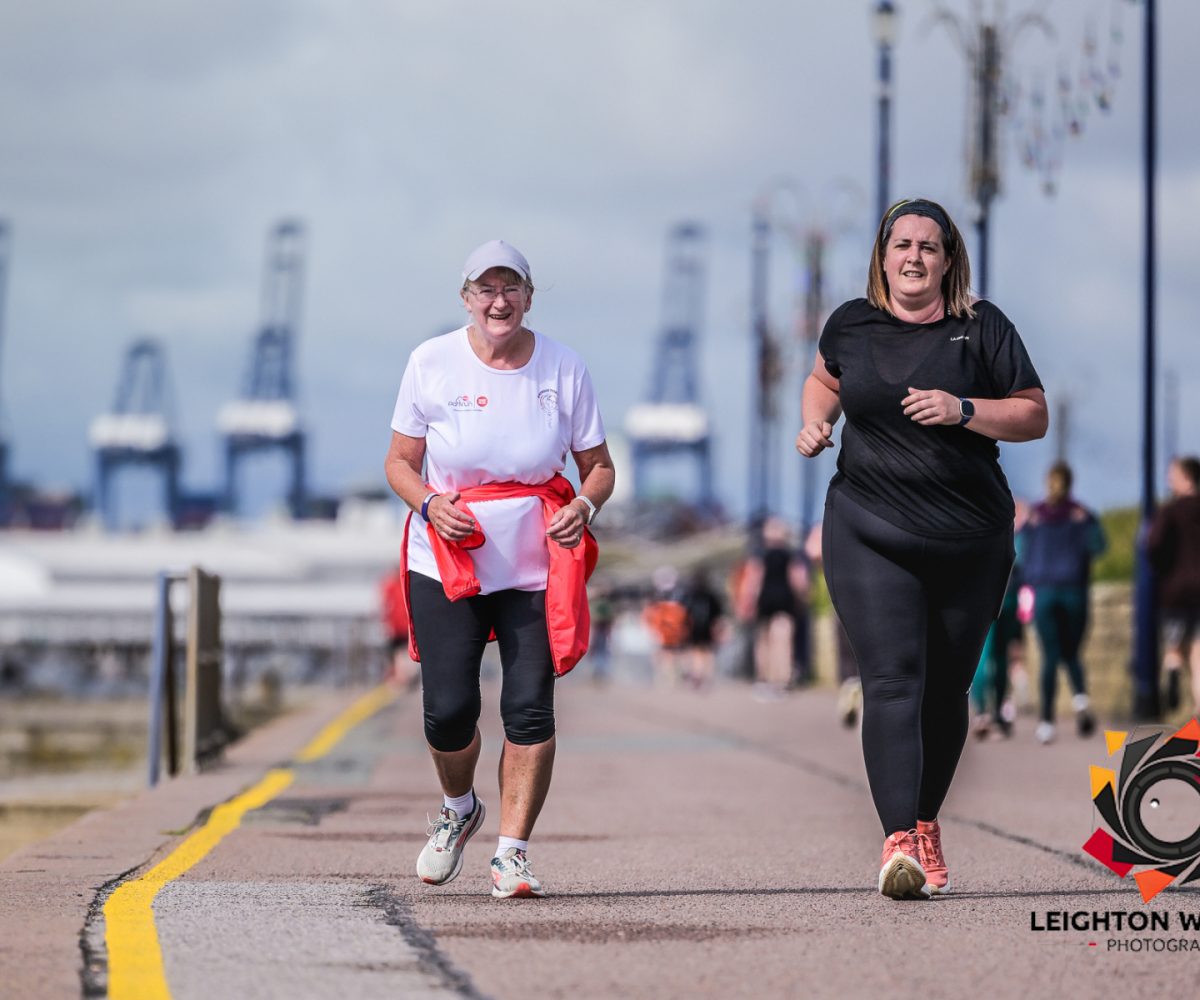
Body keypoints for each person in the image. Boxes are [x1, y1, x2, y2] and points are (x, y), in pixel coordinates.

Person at [796, 197, 1047, 900]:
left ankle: (925, 821)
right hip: (870, 527)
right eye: (902, 244)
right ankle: (898, 838)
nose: (913, 257)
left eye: (928, 247)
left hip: (971, 539)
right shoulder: (851, 321)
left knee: (946, 693)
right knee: (892, 681)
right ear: (883, 254)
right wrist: (816, 424)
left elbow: (1033, 412)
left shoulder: (983, 328)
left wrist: (963, 409)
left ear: (947, 260)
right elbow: (823, 380)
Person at [384, 239, 615, 899]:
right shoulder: (430, 363)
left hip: (536, 564)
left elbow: (599, 466)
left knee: (528, 709)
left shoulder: (564, 368)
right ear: (466, 299)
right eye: (485, 289)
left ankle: (512, 853)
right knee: (449, 712)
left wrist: (585, 506)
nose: (498, 300)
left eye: (510, 287)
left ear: (529, 296)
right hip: (447, 556)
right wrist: (430, 503)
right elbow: (399, 463)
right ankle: (459, 808)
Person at [1020, 461, 1106, 744]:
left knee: (1050, 655)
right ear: (1071, 483)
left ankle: (1046, 723)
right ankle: (1081, 700)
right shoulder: (1081, 514)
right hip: (1074, 591)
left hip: (1044, 591)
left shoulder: (1036, 517)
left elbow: (1021, 555)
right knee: (1071, 651)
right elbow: (1098, 547)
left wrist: (1033, 577)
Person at [1149, 455, 1200, 716]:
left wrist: (1162, 568)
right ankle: (1199, 706)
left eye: (1173, 475)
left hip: (1175, 590)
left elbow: (1154, 544)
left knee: (1173, 648)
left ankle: (1171, 671)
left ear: (1186, 477)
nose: (1169, 480)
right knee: (1198, 652)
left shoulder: (1170, 511)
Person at [743, 517, 810, 701]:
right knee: (781, 641)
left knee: (767, 643)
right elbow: (799, 582)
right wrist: (802, 599)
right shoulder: (791, 555)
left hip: (768, 600)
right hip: (783, 600)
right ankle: (780, 681)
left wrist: (748, 602)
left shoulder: (760, 554)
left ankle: (766, 680)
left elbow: (753, 582)